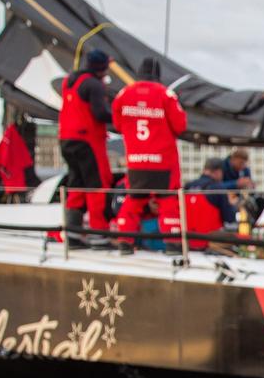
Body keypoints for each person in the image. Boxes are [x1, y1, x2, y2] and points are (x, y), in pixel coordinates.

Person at [111, 57, 187, 252]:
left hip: (136, 161)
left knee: (134, 200)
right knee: (168, 201)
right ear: (157, 75)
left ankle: (124, 241)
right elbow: (180, 126)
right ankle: (173, 243)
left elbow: (118, 124)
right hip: (163, 162)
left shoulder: (123, 94)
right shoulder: (166, 94)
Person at [59, 49, 115, 245]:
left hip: (66, 140)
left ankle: (72, 235)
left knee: (76, 185)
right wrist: (120, 115)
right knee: (97, 186)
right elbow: (100, 114)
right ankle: (99, 234)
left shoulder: (69, 81)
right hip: (87, 141)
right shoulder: (94, 85)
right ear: (102, 67)